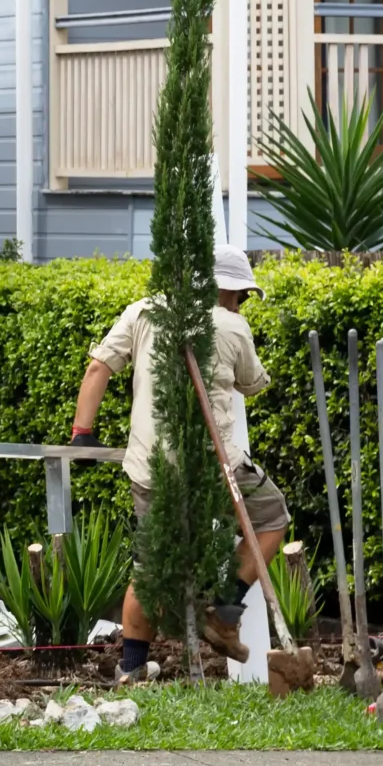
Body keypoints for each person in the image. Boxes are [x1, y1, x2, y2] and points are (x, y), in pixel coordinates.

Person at [69, 244, 286, 683]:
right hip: (216, 465)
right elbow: (254, 383)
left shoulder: (144, 311)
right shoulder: (231, 325)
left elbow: (97, 369)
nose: (240, 301)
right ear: (225, 289)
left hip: (152, 468)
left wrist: (83, 434)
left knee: (152, 565)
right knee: (271, 516)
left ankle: (131, 668)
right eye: (241, 294)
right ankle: (223, 610)